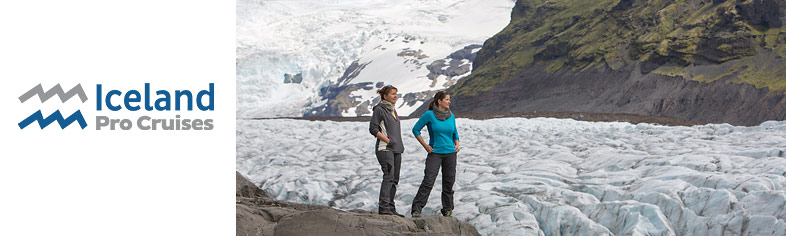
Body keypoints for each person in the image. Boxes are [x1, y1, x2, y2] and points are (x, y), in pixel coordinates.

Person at [410, 91, 460, 217]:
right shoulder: (429, 115)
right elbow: (416, 129)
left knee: (449, 182)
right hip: (435, 153)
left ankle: (447, 209)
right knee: (428, 181)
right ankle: (417, 208)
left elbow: (454, 132)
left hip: (450, 154)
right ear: (439, 101)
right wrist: (425, 145)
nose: (449, 102)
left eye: (449, 99)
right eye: (447, 99)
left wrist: (457, 143)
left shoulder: (451, 116)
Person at [368, 85, 405, 217]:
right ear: (385, 96)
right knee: (389, 176)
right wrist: (387, 140)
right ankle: (383, 207)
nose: (395, 96)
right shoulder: (379, 109)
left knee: (395, 179)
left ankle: (390, 207)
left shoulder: (393, 110)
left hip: (396, 149)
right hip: (385, 148)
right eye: (392, 94)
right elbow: (373, 128)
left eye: (396, 93)